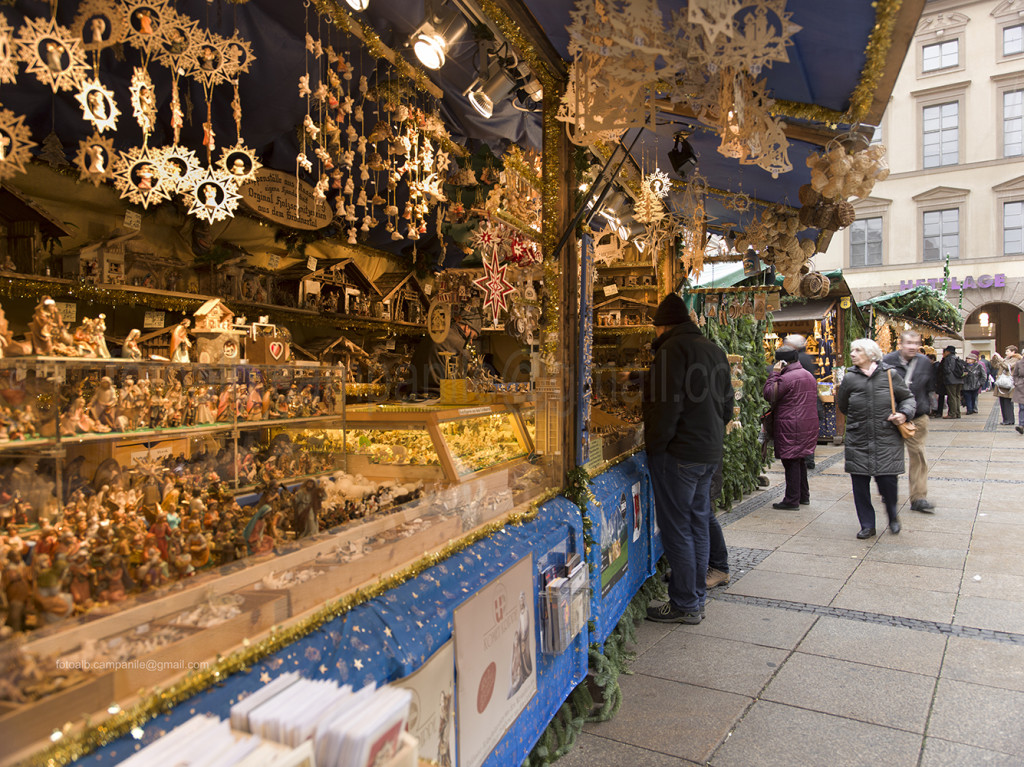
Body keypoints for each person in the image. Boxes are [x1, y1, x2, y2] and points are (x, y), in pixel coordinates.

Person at [643, 293, 733, 624]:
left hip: (678, 454)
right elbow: (726, 406)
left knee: (678, 528)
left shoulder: (671, 350)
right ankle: (694, 593)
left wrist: (655, 446)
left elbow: (667, 407)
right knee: (696, 523)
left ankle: (685, 603)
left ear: (662, 327)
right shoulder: (714, 350)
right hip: (707, 452)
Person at [836, 338, 916, 539]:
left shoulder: (890, 375)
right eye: (852, 349)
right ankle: (867, 525)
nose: (852, 353)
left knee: (888, 484)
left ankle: (892, 516)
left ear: (871, 354)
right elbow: (843, 405)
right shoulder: (849, 378)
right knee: (860, 486)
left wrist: (903, 414)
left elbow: (907, 398)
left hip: (886, 437)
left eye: (858, 350)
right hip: (859, 439)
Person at [883, 331, 936, 513]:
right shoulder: (887, 361)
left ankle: (919, 497)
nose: (912, 346)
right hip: (891, 418)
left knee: (918, 456)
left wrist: (926, 408)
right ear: (900, 344)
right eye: (909, 343)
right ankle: (887, 492)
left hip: (917, 418)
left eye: (916, 343)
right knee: (888, 457)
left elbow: (929, 387)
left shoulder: (924, 363)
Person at [763, 347, 819, 510]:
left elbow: (769, 394)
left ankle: (792, 500)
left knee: (791, 461)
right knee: (800, 459)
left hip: (791, 424)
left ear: (781, 362)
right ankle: (804, 496)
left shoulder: (786, 378)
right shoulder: (807, 375)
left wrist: (774, 373)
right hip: (807, 423)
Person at [781, 334, 821, 470]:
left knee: (799, 433)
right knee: (806, 433)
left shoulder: (799, 360)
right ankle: (807, 459)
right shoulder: (807, 358)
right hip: (808, 403)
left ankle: (804, 460)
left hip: (799, 403)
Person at [706, 461, 729, 589]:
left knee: (705, 515)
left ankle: (720, 568)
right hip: (701, 461)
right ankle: (691, 569)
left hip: (703, 462)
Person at [991, 346, 1022, 425]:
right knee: (1002, 401)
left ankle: (1010, 420)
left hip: (1008, 383)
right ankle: (1006, 419)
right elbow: (996, 366)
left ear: (1013, 352)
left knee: (1007, 402)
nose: (1006, 353)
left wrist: (1000, 358)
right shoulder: (1006, 359)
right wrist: (995, 359)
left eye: (1008, 351)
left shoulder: (1016, 359)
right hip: (1002, 383)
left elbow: (1007, 366)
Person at [938, 345, 966, 419]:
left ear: (948, 352)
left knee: (952, 397)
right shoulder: (957, 358)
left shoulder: (948, 359)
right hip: (959, 380)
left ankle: (952, 413)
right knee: (957, 396)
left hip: (951, 380)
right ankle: (958, 413)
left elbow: (947, 370)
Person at [1014, 354, 1024, 434]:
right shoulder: (1019, 363)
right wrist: (1016, 382)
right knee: (1022, 407)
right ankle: (1021, 425)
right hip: (1021, 387)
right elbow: (1015, 374)